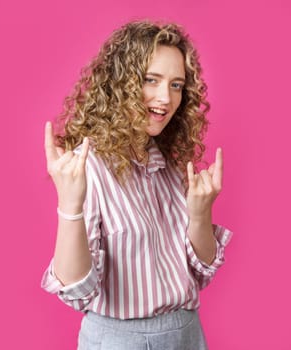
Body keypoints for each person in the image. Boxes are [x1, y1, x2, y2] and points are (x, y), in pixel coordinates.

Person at [41, 20, 233, 350]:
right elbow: (76, 289)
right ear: (121, 84)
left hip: (187, 333)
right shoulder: (87, 167)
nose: (165, 98)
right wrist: (70, 208)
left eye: (176, 85)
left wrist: (201, 215)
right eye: (150, 80)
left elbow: (200, 273)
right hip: (120, 340)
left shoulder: (170, 166)